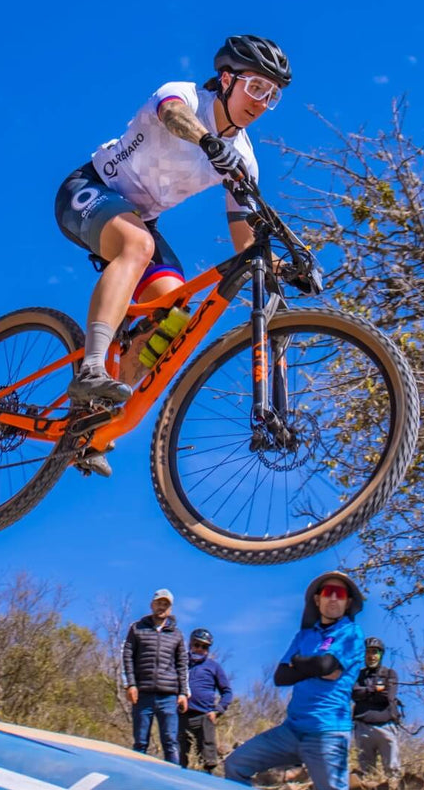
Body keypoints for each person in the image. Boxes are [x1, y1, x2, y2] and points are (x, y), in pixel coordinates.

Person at [54, 36, 291, 475]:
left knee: (174, 314)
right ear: (226, 80)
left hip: (140, 219)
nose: (261, 102)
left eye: (271, 95)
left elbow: (244, 242)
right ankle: (91, 366)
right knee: (138, 245)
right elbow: (173, 116)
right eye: (256, 87)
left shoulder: (244, 160)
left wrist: (284, 267)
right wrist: (208, 141)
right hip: (89, 190)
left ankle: (92, 422)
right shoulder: (185, 95)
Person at [223, 571, 367, 790]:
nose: (333, 598)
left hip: (327, 732)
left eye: (340, 593)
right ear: (317, 599)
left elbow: (326, 666)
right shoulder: (303, 636)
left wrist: (299, 662)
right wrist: (316, 667)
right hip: (291, 730)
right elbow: (281, 676)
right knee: (236, 764)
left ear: (348, 602)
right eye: (328, 592)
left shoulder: (352, 633)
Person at [122, 588, 189, 764]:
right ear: (152, 605)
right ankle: (137, 776)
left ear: (170, 609)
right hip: (143, 694)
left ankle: (172, 778)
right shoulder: (137, 628)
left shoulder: (177, 634)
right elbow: (127, 656)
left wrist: (183, 693)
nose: (162, 607)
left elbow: (182, 664)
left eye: (165, 604)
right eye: (159, 603)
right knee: (140, 742)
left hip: (169, 696)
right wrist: (131, 684)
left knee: (171, 743)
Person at [180, 627, 232, 774]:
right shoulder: (181, 663)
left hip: (204, 715)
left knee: (208, 757)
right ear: (190, 644)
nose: (200, 649)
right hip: (181, 714)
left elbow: (227, 692)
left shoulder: (214, 667)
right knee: (178, 754)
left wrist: (217, 711)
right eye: (197, 645)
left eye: (204, 647)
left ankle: (208, 781)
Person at [352, 636, 401, 785]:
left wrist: (365, 693)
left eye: (375, 652)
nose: (371, 656)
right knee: (367, 773)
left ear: (381, 654)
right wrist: (373, 689)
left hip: (386, 726)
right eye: (368, 652)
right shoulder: (357, 675)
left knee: (392, 771)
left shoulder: (389, 674)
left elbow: (387, 697)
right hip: (363, 727)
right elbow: (353, 693)